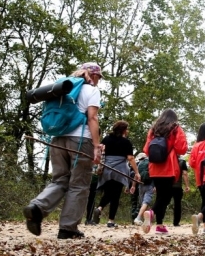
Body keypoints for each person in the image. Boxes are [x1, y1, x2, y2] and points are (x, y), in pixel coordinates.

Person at [23, 63, 102, 239]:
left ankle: (37, 207)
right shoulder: (91, 91)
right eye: (99, 77)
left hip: (57, 138)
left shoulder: (62, 87)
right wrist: (97, 146)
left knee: (60, 179)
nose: (98, 81)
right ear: (93, 75)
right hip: (81, 140)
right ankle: (68, 228)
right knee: (79, 184)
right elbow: (92, 117)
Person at [142, 109, 188, 234]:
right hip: (169, 167)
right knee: (166, 197)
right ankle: (151, 213)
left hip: (154, 167)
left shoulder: (153, 129)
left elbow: (146, 150)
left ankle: (160, 225)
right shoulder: (175, 128)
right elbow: (182, 148)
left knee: (160, 196)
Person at [93, 121, 141, 228]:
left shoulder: (106, 139)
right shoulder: (126, 142)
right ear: (123, 130)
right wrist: (137, 172)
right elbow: (130, 158)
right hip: (119, 170)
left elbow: (101, 151)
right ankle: (110, 220)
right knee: (116, 195)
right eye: (126, 129)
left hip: (107, 169)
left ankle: (100, 207)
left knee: (108, 192)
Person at [130, 152, 155, 233]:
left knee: (143, 204)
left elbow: (135, 176)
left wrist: (133, 186)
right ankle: (138, 218)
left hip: (140, 185)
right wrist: (155, 186)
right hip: (149, 185)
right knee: (145, 203)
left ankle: (147, 222)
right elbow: (154, 174)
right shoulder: (151, 163)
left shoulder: (138, 164)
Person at [169, 156, 189, 227]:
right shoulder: (182, 161)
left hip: (167, 186)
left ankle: (159, 221)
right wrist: (187, 186)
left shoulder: (167, 159)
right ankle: (176, 222)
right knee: (177, 204)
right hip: (177, 186)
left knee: (163, 203)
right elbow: (185, 173)